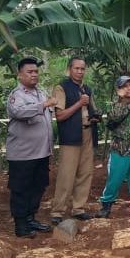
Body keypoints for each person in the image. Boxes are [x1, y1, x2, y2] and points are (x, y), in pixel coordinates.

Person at [6, 57, 55, 238]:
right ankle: (20, 224)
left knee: (38, 186)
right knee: (21, 188)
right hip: (22, 154)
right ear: (20, 75)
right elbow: (18, 112)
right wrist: (43, 105)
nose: (34, 75)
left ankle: (30, 218)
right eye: (30, 72)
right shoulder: (16, 96)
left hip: (41, 152)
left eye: (36, 72)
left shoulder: (41, 93)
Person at [50, 57, 100, 223]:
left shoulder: (87, 89)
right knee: (66, 174)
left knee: (85, 173)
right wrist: (79, 104)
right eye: (76, 68)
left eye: (82, 69)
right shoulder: (61, 88)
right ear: (69, 69)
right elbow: (60, 115)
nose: (80, 71)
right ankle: (58, 211)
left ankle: (78, 208)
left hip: (87, 133)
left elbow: (92, 109)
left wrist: (95, 117)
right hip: (71, 136)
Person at [97, 76, 130, 218]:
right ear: (119, 89)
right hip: (119, 149)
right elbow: (113, 118)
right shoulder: (112, 105)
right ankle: (106, 205)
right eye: (125, 86)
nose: (129, 88)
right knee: (114, 179)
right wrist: (121, 101)